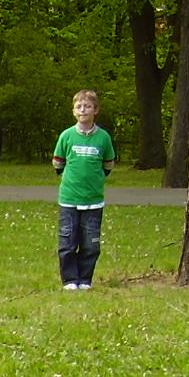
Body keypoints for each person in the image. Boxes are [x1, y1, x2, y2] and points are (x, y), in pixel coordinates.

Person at [52, 89, 116, 291]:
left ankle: (85, 279)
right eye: (79, 106)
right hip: (69, 199)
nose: (83, 110)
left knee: (90, 244)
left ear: (95, 110)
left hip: (93, 201)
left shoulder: (103, 138)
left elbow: (108, 164)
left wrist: (96, 180)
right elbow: (58, 163)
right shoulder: (67, 136)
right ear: (73, 111)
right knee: (67, 242)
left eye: (87, 106)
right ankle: (70, 280)